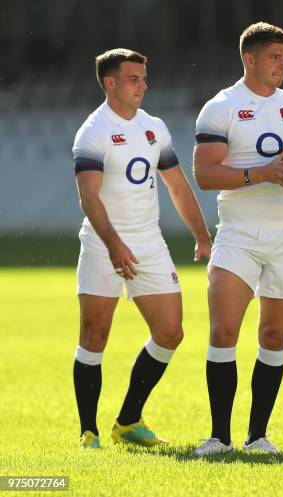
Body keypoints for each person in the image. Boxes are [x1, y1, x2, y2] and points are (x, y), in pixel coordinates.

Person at [192, 22, 283, 456]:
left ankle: (258, 437)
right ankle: (219, 437)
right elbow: (204, 174)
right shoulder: (222, 107)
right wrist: (261, 173)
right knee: (224, 330)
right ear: (249, 59)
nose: (282, 64)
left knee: (274, 336)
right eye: (274, 57)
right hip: (238, 233)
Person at [72, 48, 212, 449]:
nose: (143, 85)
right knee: (94, 336)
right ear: (110, 82)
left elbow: (178, 185)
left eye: (145, 78)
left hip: (148, 242)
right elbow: (89, 198)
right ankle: (88, 432)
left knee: (170, 332)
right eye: (134, 78)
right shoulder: (93, 132)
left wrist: (202, 236)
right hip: (103, 244)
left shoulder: (155, 127)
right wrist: (113, 244)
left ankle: (128, 421)